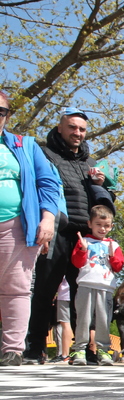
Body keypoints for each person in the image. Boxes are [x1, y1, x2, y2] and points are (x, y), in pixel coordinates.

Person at [25, 106, 115, 364]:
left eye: (82, 129)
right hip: (56, 232)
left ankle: (84, 350)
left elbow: (104, 204)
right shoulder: (43, 154)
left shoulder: (91, 162)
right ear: (60, 128)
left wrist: (102, 185)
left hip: (85, 238)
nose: (78, 133)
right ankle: (35, 349)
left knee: (83, 295)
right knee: (45, 290)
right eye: (73, 127)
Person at [0, 90, 60, 366]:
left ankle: (12, 349)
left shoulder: (25, 145)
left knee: (17, 287)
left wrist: (47, 218)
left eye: (1, 111)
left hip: (16, 224)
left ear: (8, 116)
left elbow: (48, 182)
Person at [69, 205, 124, 365]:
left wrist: (113, 256)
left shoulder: (113, 245)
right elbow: (77, 263)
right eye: (98, 225)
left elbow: (118, 266)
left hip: (105, 287)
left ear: (111, 226)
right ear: (90, 224)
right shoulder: (84, 241)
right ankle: (79, 349)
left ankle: (103, 350)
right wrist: (82, 250)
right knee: (83, 319)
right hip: (86, 284)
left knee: (103, 320)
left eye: (106, 225)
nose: (102, 228)